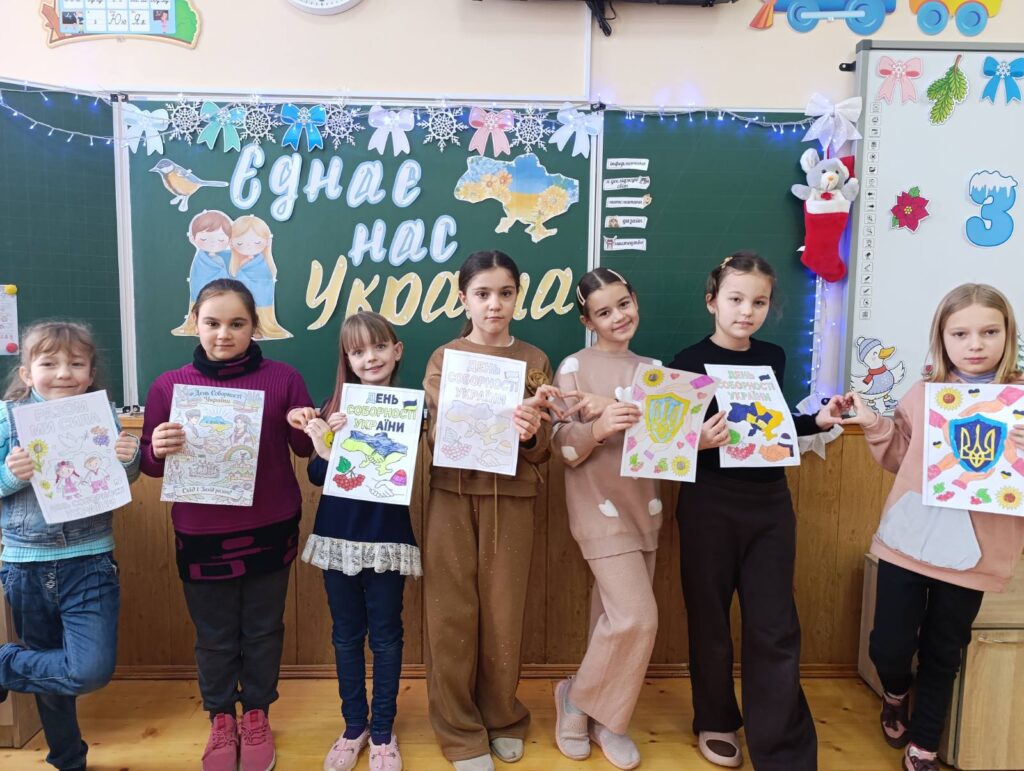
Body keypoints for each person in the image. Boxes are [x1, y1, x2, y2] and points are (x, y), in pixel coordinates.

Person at [669, 251, 844, 770]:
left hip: (769, 503)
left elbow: (771, 423)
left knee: (774, 625)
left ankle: (782, 747)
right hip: (708, 502)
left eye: (759, 302)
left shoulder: (772, 356)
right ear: (712, 302)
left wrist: (816, 421)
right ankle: (716, 718)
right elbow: (664, 443)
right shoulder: (687, 361)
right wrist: (696, 439)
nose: (747, 311)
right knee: (710, 618)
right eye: (736, 299)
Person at [843, 283, 1024, 771]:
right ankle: (895, 692)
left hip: (976, 553)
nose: (975, 344)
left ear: (1008, 335)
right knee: (889, 645)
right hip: (910, 541)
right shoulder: (924, 395)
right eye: (960, 333)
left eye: (989, 332)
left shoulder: (1020, 400)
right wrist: (873, 423)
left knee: (944, 650)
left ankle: (924, 743)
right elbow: (902, 458)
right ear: (941, 338)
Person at [139, 278, 314, 771]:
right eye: (212, 322)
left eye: (237, 323)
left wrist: (307, 423)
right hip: (201, 533)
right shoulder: (168, 386)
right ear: (195, 323)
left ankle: (256, 714)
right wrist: (158, 448)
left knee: (263, 629)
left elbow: (305, 450)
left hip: (270, 526)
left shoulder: (284, 378)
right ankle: (220, 718)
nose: (223, 334)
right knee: (214, 635)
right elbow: (151, 466)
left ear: (254, 326)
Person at [422, 250, 561, 771]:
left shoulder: (535, 359)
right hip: (452, 495)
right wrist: (454, 426)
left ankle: (502, 717)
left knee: (503, 614)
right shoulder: (445, 357)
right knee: (450, 614)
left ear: (517, 296)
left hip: (513, 498)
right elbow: (435, 436)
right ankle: (459, 731)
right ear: (464, 299)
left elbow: (543, 447)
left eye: (505, 293)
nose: (494, 304)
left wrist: (530, 434)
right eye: (482, 294)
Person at [0, 320, 140, 771]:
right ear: (27, 373)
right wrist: (10, 475)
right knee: (48, 667)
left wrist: (129, 458)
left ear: (90, 372)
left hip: (90, 559)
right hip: (26, 564)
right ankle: (67, 759)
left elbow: (123, 476)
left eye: (76, 364)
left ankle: (4, 665)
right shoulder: (6, 418)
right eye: (49, 364)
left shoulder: (101, 415)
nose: (63, 373)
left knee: (89, 670)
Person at [296, 311, 419, 771]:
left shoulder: (410, 408)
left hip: (387, 538)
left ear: (396, 350)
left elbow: (398, 470)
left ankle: (383, 730)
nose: (370, 357)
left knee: (386, 637)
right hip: (339, 537)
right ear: (347, 359)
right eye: (358, 351)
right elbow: (317, 474)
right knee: (346, 636)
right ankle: (354, 726)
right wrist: (325, 446)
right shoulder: (333, 407)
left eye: (379, 346)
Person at [551, 268, 659, 770]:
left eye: (623, 304)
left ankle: (606, 719)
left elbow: (666, 445)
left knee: (611, 619)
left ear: (635, 299)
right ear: (587, 320)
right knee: (638, 617)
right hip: (597, 508)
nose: (618, 317)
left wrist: (700, 440)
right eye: (603, 312)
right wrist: (597, 427)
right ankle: (577, 700)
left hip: (646, 507)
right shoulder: (572, 368)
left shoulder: (654, 371)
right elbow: (562, 447)